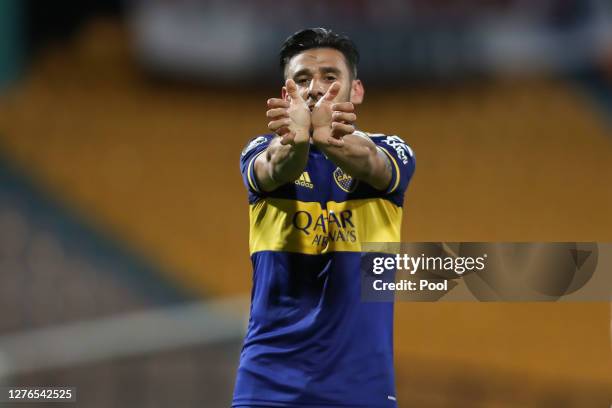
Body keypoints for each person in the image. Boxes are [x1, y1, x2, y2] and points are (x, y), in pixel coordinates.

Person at [234, 27, 415, 408]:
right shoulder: (259, 151)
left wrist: (323, 135)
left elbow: (372, 164)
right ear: (286, 95)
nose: (315, 88)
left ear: (357, 90)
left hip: (361, 388)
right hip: (268, 385)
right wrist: (298, 140)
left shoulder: (392, 150)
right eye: (302, 80)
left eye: (330, 77)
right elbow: (275, 167)